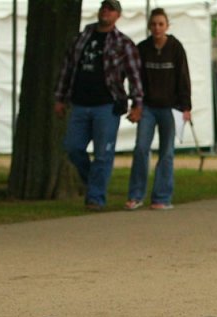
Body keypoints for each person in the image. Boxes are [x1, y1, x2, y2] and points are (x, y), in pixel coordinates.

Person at [55, 0, 143, 210]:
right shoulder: (81, 38)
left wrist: (137, 103)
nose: (106, 11)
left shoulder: (123, 43)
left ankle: (95, 198)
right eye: (104, 7)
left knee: (103, 153)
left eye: (111, 9)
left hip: (107, 105)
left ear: (117, 16)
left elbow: (135, 75)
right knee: (72, 147)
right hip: (79, 103)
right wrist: (59, 98)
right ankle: (94, 181)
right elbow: (67, 69)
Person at [125, 8, 192, 211]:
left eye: (161, 24)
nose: (157, 28)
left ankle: (162, 196)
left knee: (167, 153)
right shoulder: (142, 48)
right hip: (147, 106)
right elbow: (136, 79)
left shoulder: (175, 48)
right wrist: (136, 104)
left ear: (167, 26)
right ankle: (136, 195)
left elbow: (183, 77)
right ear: (149, 26)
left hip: (170, 108)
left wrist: (186, 106)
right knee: (141, 149)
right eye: (153, 24)